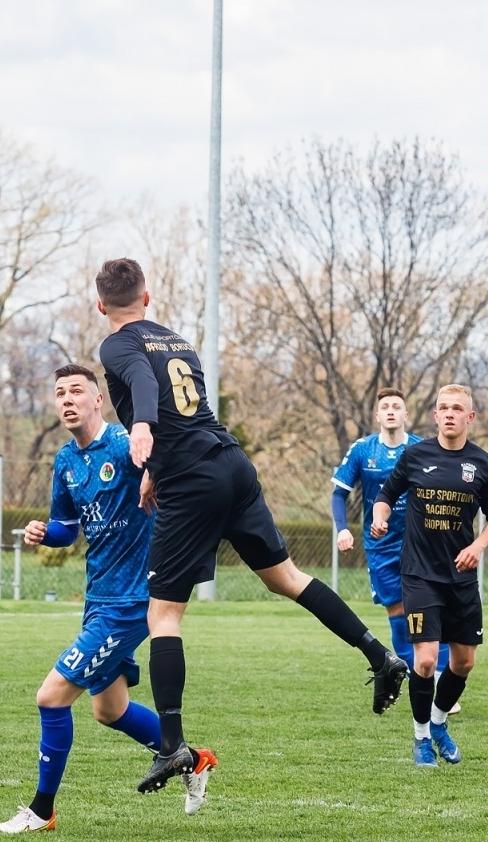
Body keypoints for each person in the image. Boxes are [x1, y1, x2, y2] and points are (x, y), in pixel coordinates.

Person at [93, 258, 406, 796]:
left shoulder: (117, 345)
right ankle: (380, 655)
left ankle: (170, 746)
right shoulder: (177, 340)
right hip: (230, 463)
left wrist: (143, 430)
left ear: (102, 306)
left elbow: (144, 385)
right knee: (286, 577)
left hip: (192, 480)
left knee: (163, 613)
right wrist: (155, 470)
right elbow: (186, 410)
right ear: (148, 297)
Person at [0, 364, 177, 834]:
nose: (67, 398)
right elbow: (68, 529)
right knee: (109, 710)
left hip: (132, 600)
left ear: (99, 400)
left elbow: (173, 478)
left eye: (77, 390)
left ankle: (42, 811)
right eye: (59, 392)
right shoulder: (65, 461)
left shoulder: (126, 446)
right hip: (99, 597)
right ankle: (191, 758)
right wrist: (43, 531)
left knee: (51, 697)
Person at [372, 384, 488, 767]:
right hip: (419, 574)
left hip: (461, 579)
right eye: (443, 408)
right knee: (427, 661)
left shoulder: (481, 463)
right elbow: (386, 495)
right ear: (435, 416)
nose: (449, 413)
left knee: (464, 663)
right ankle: (419, 740)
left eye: (457, 408)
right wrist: (380, 518)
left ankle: (438, 722)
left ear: (470, 417)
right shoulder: (416, 455)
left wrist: (478, 546)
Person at [332, 388, 453, 698]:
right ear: (377, 415)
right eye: (384, 406)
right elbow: (339, 493)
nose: (390, 410)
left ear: (405, 415)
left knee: (433, 607)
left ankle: (438, 678)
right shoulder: (362, 449)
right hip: (381, 545)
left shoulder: (421, 449)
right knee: (397, 609)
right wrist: (343, 529)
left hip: (421, 542)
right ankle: (416, 677)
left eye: (396, 406)